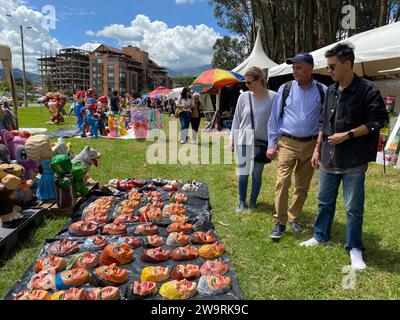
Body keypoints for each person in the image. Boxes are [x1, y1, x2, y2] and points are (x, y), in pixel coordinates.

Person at [300, 43, 387, 270]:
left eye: (332, 67)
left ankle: (355, 248)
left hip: (354, 160)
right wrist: (317, 147)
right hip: (328, 158)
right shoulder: (330, 90)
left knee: (352, 207)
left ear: (348, 64)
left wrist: (347, 135)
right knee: (324, 202)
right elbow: (323, 122)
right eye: (328, 67)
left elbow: (377, 121)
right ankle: (320, 236)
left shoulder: (368, 90)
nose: (328, 72)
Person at [267, 52, 327, 240]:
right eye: (293, 68)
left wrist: (320, 146)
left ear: (310, 68)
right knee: (282, 182)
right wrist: (271, 144)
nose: (294, 71)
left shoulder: (322, 90)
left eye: (298, 67)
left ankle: (294, 217)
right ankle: (280, 222)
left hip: (310, 145)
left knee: (302, 186)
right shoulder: (284, 89)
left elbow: (325, 120)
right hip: (287, 143)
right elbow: (273, 119)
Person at [229, 66, 276, 213]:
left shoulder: (273, 97)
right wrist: (232, 139)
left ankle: (252, 201)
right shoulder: (243, 97)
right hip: (243, 138)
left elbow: (276, 121)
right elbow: (236, 119)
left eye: (249, 82)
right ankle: (241, 201)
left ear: (260, 80)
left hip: (262, 141)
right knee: (243, 173)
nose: (247, 86)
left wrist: (274, 142)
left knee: (257, 173)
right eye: (246, 82)